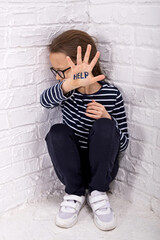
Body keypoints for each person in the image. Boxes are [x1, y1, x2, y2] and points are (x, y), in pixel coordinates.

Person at [40, 29, 129, 231]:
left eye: (61, 71)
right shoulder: (66, 92)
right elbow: (44, 101)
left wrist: (109, 119)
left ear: (83, 64)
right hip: (73, 170)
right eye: (54, 71)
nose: (57, 77)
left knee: (105, 125)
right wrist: (70, 82)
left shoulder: (112, 94)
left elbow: (123, 143)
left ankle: (98, 193)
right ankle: (75, 194)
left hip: (102, 170)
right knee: (57, 131)